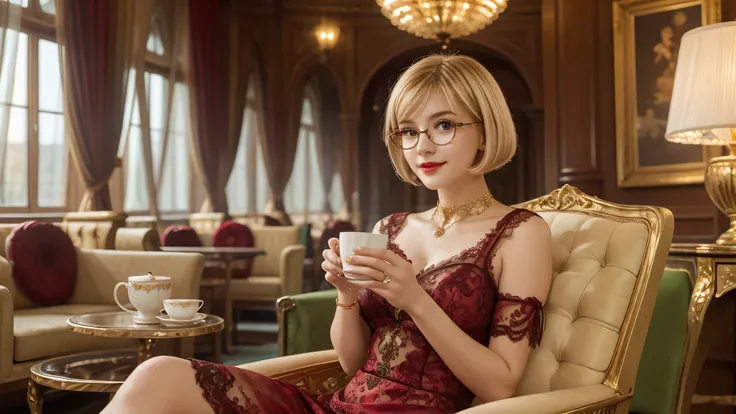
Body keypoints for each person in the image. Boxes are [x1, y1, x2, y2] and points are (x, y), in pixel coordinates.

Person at [101, 53, 553, 414]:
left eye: (444, 125)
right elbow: (353, 363)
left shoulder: (520, 233)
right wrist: (346, 293)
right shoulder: (390, 228)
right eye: (409, 132)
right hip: (336, 405)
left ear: (485, 127)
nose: (424, 147)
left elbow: (500, 385)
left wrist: (415, 299)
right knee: (156, 373)